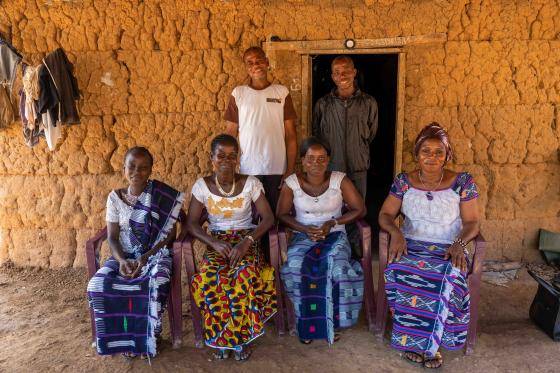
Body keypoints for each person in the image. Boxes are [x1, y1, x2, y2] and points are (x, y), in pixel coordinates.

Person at [378, 123, 480, 369]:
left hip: (449, 246)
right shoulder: (403, 182)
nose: (432, 157)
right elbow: (385, 214)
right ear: (417, 154)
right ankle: (414, 342)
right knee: (398, 270)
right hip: (411, 244)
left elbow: (472, 222)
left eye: (439, 152)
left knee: (443, 276)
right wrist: (396, 233)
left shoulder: (463, 182)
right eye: (426, 151)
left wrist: (459, 243)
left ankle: (430, 346)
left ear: (447, 155)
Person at [86, 147, 184, 359]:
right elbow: (112, 236)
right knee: (97, 284)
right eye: (131, 166)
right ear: (123, 168)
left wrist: (145, 257)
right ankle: (121, 336)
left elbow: (169, 234)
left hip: (155, 256)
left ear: (150, 171)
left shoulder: (160, 197)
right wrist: (121, 261)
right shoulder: (114, 198)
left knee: (155, 281)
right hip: (122, 256)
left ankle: (149, 335)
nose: (136, 172)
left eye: (143, 168)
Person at [187, 134, 276, 362]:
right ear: (212, 158)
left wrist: (248, 242)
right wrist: (213, 242)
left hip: (247, 239)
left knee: (243, 274)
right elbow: (192, 223)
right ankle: (221, 338)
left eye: (232, 156)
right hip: (217, 242)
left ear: (238, 158)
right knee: (211, 277)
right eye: (221, 155)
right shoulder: (202, 186)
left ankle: (238, 340)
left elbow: (267, 219)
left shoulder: (251, 183)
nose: (226, 160)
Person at [278, 137, 366, 344]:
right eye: (310, 159)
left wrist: (332, 223)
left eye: (321, 159)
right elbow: (282, 214)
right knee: (296, 266)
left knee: (336, 267)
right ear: (302, 160)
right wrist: (304, 228)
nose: (315, 164)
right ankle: (306, 321)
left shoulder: (339, 180)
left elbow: (360, 209)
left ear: (328, 160)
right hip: (302, 235)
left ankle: (330, 321)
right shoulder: (292, 183)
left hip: (335, 236)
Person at [224, 46, 298, 213]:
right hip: (248, 168)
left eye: (259, 61)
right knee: (252, 216)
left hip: (277, 167)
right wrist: (230, 165)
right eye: (250, 63)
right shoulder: (239, 94)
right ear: (246, 68)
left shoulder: (281, 92)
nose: (255, 65)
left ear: (267, 62)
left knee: (276, 215)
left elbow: (291, 136)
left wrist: (290, 170)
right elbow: (230, 135)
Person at [312, 55, 378, 199]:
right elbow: (317, 135)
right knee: (333, 210)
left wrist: (358, 149)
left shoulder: (368, 102)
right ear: (332, 76)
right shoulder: (323, 104)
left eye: (346, 71)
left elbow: (371, 133)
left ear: (354, 72)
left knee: (358, 209)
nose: (341, 76)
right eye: (336, 72)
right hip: (332, 168)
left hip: (358, 167)